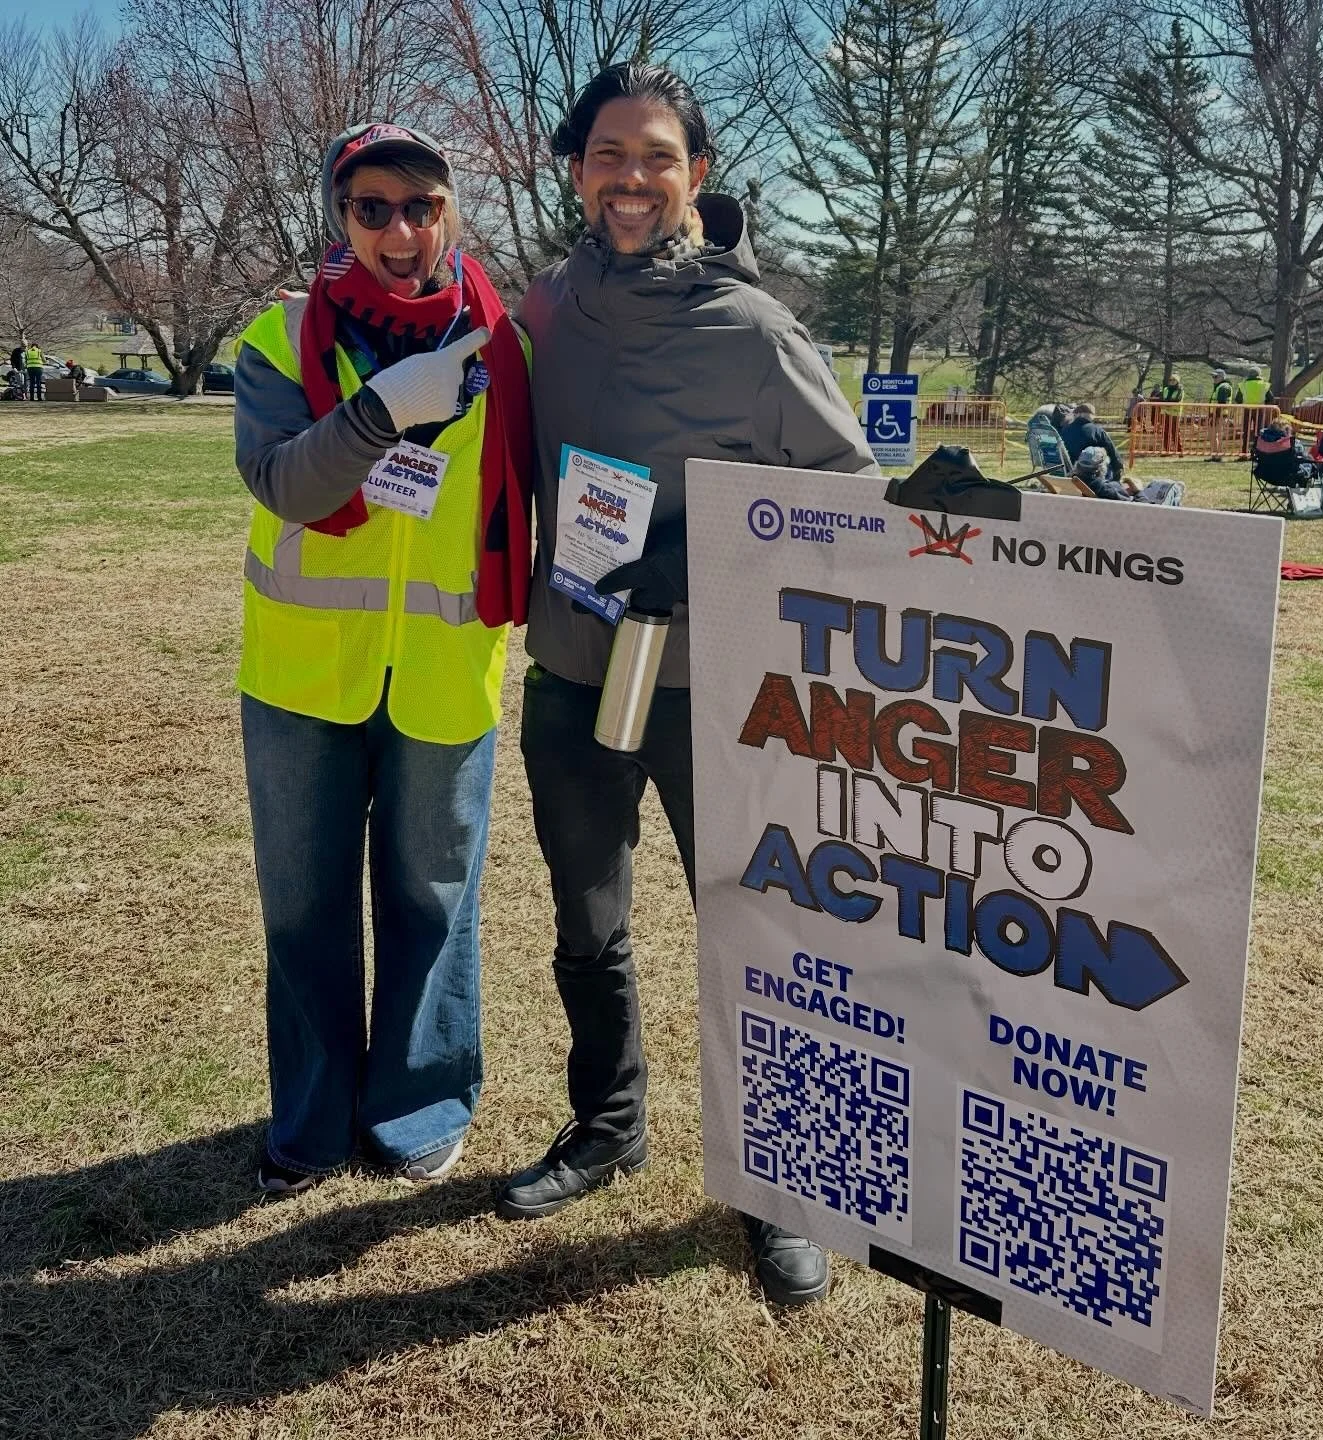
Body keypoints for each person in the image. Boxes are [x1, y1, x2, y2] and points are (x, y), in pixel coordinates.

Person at [503, 61, 878, 1308]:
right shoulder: (544, 312)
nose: (631, 177)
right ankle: (609, 1128)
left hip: (719, 695)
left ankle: (784, 1190)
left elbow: (854, 502)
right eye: (610, 152)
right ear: (578, 167)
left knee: (759, 940)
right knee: (587, 929)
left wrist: (712, 551)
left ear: (696, 176)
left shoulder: (758, 332)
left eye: (657, 155)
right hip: (572, 677)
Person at [232, 121, 532, 1195]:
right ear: (340, 217)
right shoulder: (280, 338)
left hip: (449, 670)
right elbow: (284, 486)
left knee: (431, 898)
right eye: (371, 209)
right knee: (304, 904)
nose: (399, 230)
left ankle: (417, 1107)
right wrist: (375, 415)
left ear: (449, 212)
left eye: (420, 205)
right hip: (304, 677)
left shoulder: (511, 348)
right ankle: (310, 1120)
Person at [1072, 445, 1184, 504]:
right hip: (1140, 518)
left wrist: (1122, 490)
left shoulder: (1072, 482)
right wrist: (1137, 491)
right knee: (1174, 487)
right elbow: (1144, 510)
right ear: (1100, 468)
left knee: (1154, 484)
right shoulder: (1107, 489)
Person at [1059, 401, 1123, 481]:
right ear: (1091, 416)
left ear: (1077, 414)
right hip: (1090, 474)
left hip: (1068, 470)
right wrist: (1118, 469)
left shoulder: (1065, 430)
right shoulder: (1097, 431)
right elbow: (1113, 453)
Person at [1252, 421, 1314, 487]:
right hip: (1286, 477)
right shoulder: (1290, 444)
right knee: (1309, 461)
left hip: (1264, 474)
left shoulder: (1262, 442)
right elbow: (1301, 454)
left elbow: (1254, 456)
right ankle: (1307, 482)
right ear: (1286, 432)